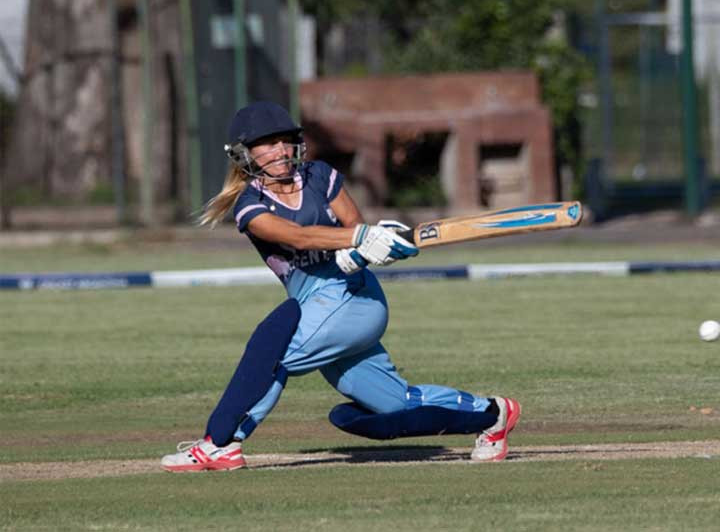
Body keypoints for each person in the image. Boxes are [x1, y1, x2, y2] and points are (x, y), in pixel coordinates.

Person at [160, 101, 521, 472]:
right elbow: (299, 237)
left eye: (286, 141)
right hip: (316, 306)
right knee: (395, 403)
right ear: (245, 154)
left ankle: (221, 443)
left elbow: (355, 226)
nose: (281, 150)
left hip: (354, 298)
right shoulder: (249, 207)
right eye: (268, 144)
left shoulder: (319, 176)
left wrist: (371, 248)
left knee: (273, 358)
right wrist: (358, 237)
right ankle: (492, 415)